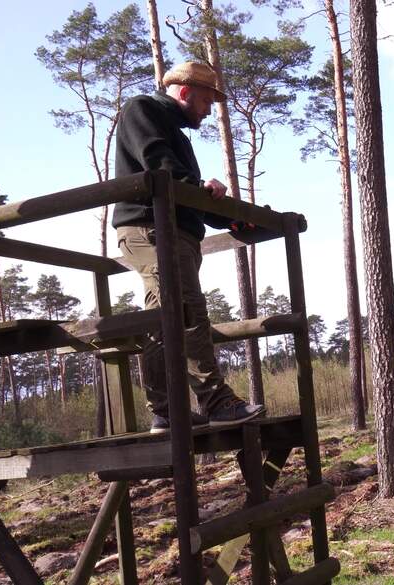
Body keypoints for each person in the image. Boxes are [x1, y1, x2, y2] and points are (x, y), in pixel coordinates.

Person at [112, 61, 264, 433]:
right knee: (187, 310)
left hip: (175, 232)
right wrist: (199, 190)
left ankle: (165, 411)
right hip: (151, 229)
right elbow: (160, 167)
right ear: (184, 92)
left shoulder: (179, 138)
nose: (209, 110)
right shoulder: (142, 110)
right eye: (206, 101)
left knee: (163, 319)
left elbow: (186, 193)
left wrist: (232, 219)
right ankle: (216, 402)